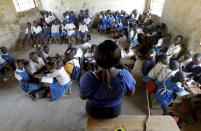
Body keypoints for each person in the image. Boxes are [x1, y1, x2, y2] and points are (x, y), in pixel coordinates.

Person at [79, 40, 136, 119]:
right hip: (114, 111)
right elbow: (130, 94)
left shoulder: (87, 78)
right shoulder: (126, 76)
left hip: (93, 111)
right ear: (118, 60)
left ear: (96, 59)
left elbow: (82, 97)